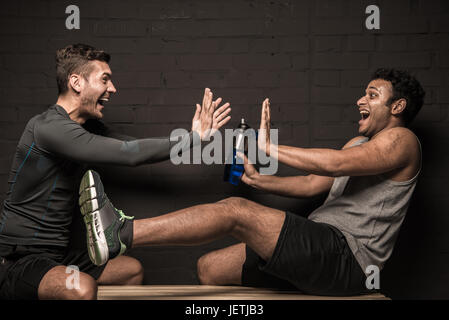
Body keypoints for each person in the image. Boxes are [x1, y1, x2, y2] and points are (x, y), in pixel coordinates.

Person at [79, 68, 425, 296]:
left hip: (347, 258)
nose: (360, 100)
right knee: (210, 268)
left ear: (398, 106)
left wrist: (270, 148)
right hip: (318, 248)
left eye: (373, 95)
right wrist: (260, 180)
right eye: (363, 94)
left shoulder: (403, 141)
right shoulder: (359, 144)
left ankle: (121, 234)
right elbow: (312, 184)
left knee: (235, 211)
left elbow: (337, 162)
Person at [0, 43, 231, 300]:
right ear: (76, 82)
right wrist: (192, 139)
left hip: (59, 256)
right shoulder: (48, 127)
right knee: (82, 288)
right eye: (105, 79)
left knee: (130, 271)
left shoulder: (88, 127)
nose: (112, 88)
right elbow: (128, 153)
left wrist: (192, 139)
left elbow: (133, 148)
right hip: (19, 258)